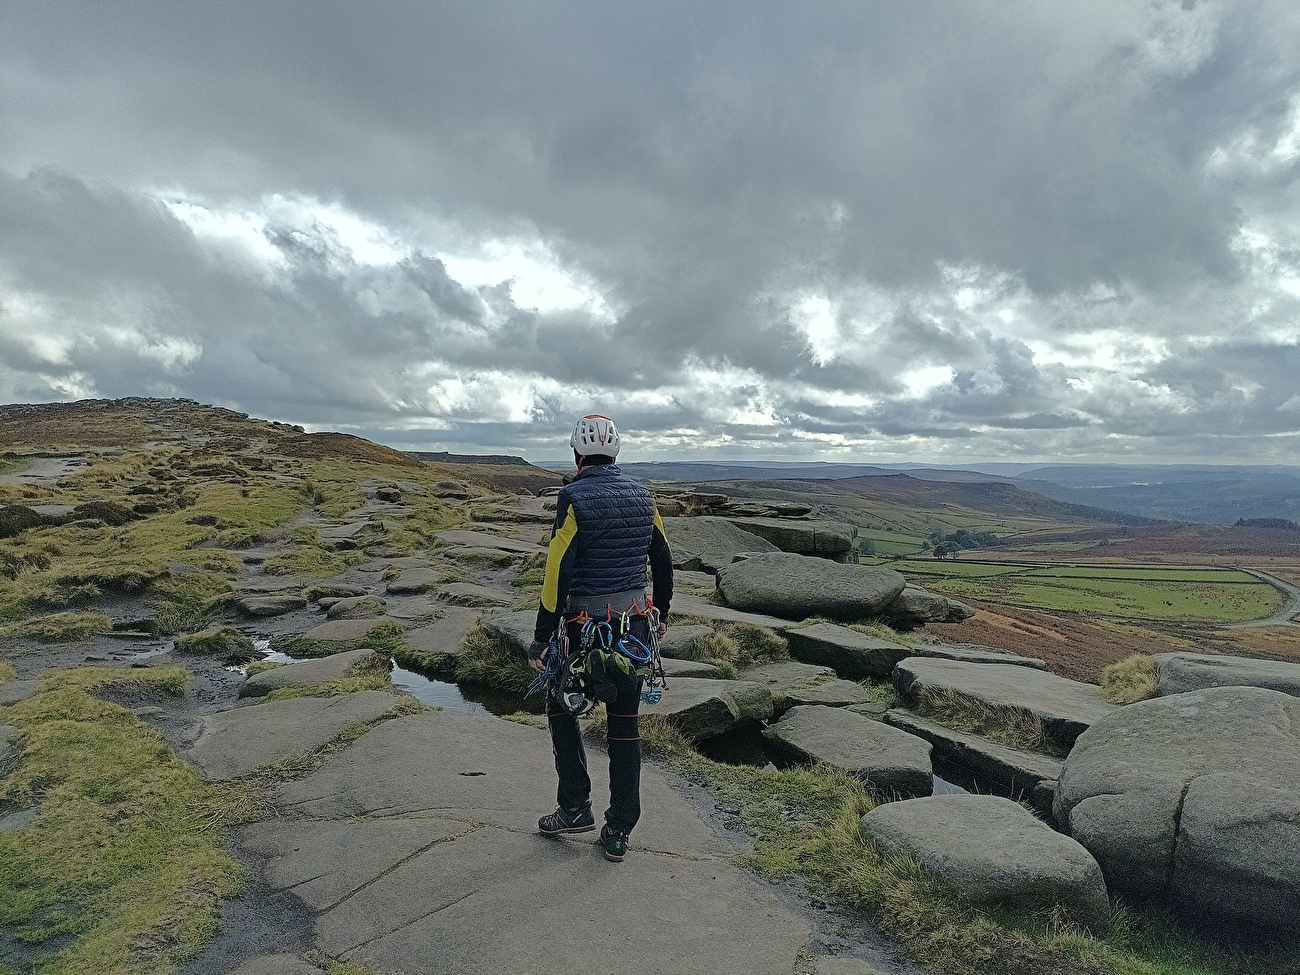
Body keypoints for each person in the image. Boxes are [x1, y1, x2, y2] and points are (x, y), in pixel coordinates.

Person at [527, 413, 673, 862]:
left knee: (560, 706)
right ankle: (618, 831)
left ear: (577, 455)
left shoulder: (572, 497)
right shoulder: (641, 495)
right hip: (634, 629)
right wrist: (662, 612)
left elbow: (558, 570)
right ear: (616, 453)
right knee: (624, 728)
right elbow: (663, 558)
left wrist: (541, 638)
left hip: (581, 633)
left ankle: (574, 808)